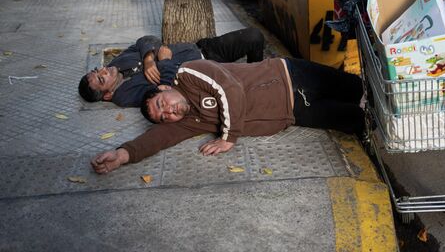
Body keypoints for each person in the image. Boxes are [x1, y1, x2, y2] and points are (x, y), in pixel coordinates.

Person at [91, 58, 365, 174]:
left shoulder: (188, 73)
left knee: (360, 89)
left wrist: (228, 138)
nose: (169, 112)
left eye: (163, 103)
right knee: (359, 121)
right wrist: (123, 155)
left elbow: (229, 89)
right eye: (164, 116)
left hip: (292, 76)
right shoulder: (187, 122)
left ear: (165, 88)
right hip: (295, 112)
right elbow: (158, 138)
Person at [78, 28, 265, 107]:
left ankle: (255, 73)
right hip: (207, 69)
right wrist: (165, 61)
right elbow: (166, 88)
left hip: (202, 48)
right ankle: (258, 86)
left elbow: (144, 41)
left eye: (97, 70)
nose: (104, 71)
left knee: (254, 36)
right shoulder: (127, 95)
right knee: (245, 79)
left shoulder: (114, 65)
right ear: (108, 94)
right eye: (102, 79)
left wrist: (149, 58)